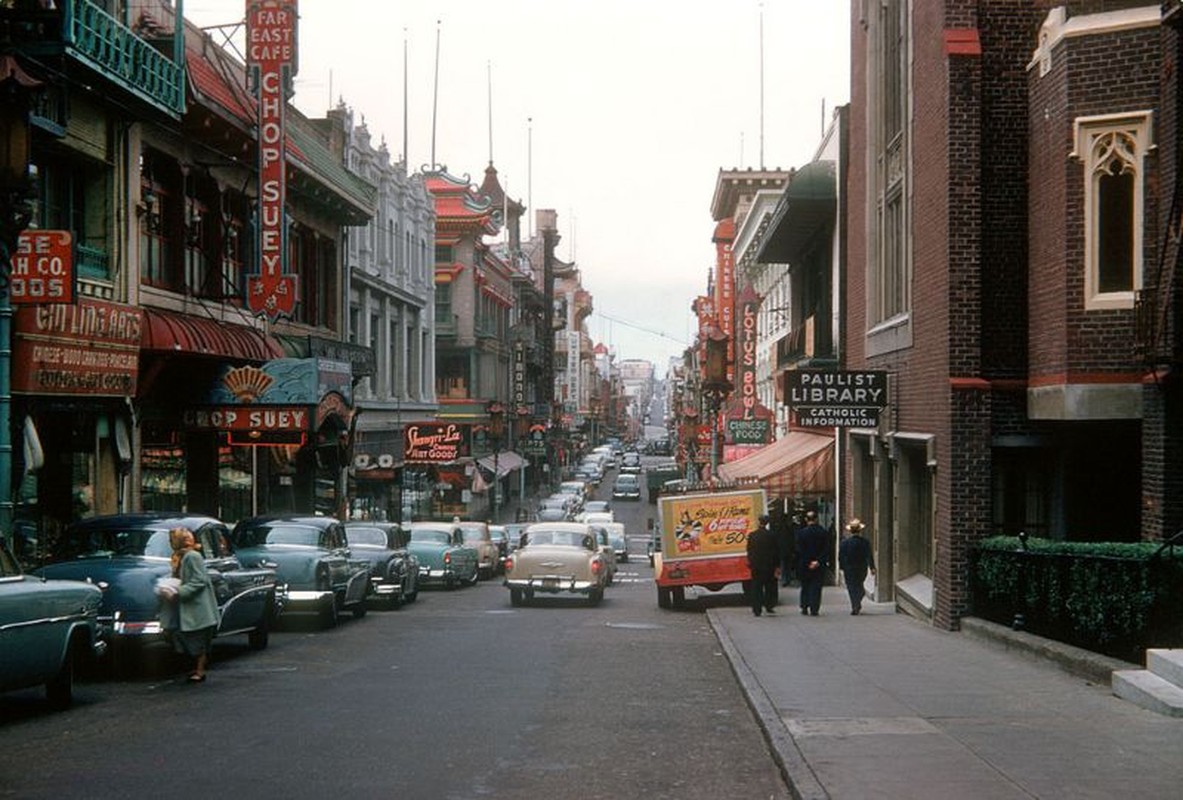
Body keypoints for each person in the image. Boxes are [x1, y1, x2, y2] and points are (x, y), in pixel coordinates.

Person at [167, 527, 219, 682]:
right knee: (182, 634)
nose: (171, 543)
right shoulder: (179, 557)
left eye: (173, 539)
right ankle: (193, 667)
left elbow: (199, 581)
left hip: (197, 605)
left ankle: (200, 670)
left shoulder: (192, 556)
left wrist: (179, 591)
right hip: (185, 605)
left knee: (198, 638)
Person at [795, 509, 829, 616]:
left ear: (806, 520)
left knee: (805, 586)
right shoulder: (823, 532)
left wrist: (807, 561)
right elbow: (826, 549)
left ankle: (804, 606)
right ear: (816, 519)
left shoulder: (801, 533)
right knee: (816, 586)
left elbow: (799, 550)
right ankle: (814, 608)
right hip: (819, 565)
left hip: (804, 564)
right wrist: (818, 561)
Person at [838, 518, 876, 615]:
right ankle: (857, 602)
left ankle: (855, 604)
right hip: (861, 567)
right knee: (859, 585)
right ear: (860, 530)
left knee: (851, 587)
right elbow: (869, 555)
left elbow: (841, 556)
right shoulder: (865, 542)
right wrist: (872, 567)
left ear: (850, 530)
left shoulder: (844, 543)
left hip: (849, 568)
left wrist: (842, 567)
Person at [745, 514, 779, 616]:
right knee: (770, 587)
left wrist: (750, 562)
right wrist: (777, 565)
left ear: (759, 522)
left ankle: (757, 608)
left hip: (756, 566)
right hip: (769, 565)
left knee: (756, 587)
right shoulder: (772, 535)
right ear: (767, 523)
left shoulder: (752, 535)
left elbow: (749, 550)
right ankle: (769, 605)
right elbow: (776, 551)